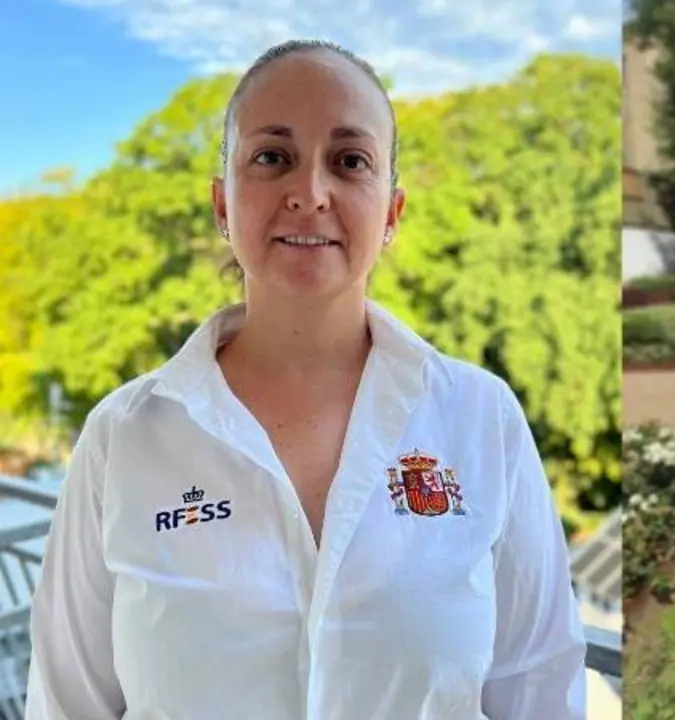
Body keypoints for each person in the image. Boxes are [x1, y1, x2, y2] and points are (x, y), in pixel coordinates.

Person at [26, 39, 586, 719]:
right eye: (272, 157)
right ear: (222, 206)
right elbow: (66, 704)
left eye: (350, 161)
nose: (309, 194)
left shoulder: (481, 418)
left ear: (391, 214)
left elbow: (541, 693)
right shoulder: (123, 438)